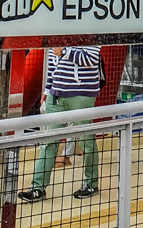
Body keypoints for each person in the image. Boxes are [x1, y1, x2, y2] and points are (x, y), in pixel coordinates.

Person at [18, 44, 101, 202]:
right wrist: (48, 88)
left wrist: (64, 51)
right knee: (49, 141)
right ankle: (37, 188)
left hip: (81, 94)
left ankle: (91, 183)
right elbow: (52, 63)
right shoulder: (57, 35)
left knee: (86, 140)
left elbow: (91, 58)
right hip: (56, 94)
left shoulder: (90, 32)